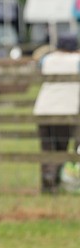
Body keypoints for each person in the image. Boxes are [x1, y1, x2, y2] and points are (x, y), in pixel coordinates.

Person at [33, 33, 80, 193]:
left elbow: (37, 60)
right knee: (61, 147)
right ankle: (53, 181)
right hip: (65, 110)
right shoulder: (77, 61)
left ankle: (47, 181)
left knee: (47, 147)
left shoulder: (48, 59)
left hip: (43, 110)